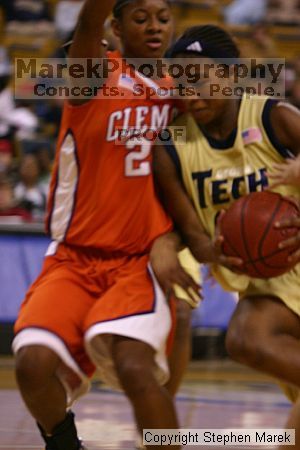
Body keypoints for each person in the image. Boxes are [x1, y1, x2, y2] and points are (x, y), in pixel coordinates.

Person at [12, 1, 200, 450]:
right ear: (115, 28)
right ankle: (62, 441)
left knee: (139, 366)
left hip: (139, 258)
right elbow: (87, 23)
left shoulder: (183, 92)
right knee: (32, 363)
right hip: (75, 257)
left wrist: (171, 238)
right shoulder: (94, 75)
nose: (154, 27)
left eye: (162, 17)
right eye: (140, 18)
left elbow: (189, 177)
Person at [153, 24, 300, 449]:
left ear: (232, 75)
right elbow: (193, 233)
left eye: (199, 79)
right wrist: (200, 249)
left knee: (245, 338)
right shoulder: (172, 142)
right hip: (263, 280)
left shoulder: (273, 115)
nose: (189, 92)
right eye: (180, 82)